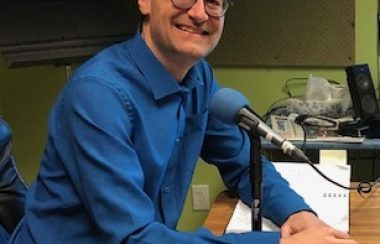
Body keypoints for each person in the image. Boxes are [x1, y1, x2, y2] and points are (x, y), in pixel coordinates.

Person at [4, 0, 358, 243]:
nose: (201, 13)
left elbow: (242, 164)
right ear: (145, 2)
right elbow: (133, 237)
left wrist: (298, 215)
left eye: (215, 1)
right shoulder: (97, 97)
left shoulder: (198, 77)